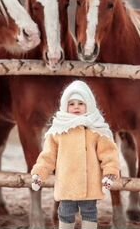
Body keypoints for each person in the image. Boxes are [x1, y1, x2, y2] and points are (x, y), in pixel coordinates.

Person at [30, 80, 120, 229]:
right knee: (65, 213)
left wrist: (109, 174)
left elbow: (109, 154)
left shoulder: (96, 129)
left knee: (89, 212)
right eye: (71, 104)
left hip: (89, 184)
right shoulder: (58, 131)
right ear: (65, 105)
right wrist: (39, 174)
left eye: (80, 103)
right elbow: (48, 156)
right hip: (67, 184)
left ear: (89, 104)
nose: (76, 107)